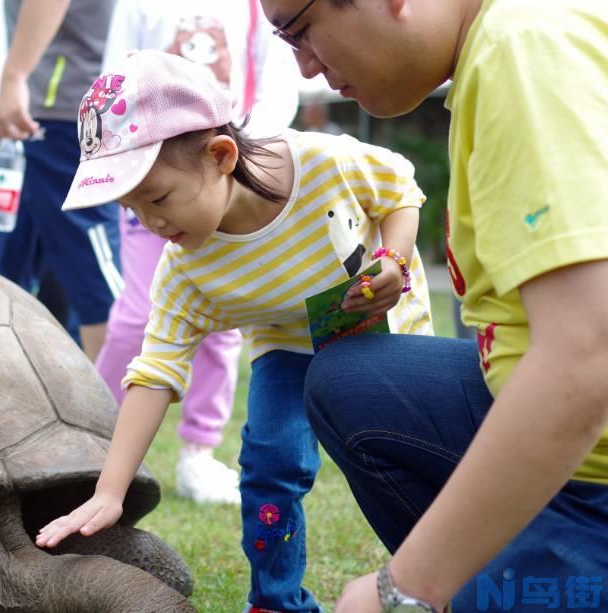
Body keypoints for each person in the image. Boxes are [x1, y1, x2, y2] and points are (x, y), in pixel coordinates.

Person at [35, 50, 433, 613]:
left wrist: (393, 258)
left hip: (384, 332)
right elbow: (154, 373)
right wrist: (109, 490)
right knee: (268, 466)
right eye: (132, 209)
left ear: (221, 155)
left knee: (402, 464)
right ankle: (276, 601)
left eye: (158, 198)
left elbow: (400, 191)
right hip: (289, 347)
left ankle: (438, 578)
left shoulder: (322, 164)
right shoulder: (186, 272)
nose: (152, 224)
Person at [257, 0, 608, 611]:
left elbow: (588, 355)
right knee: (349, 380)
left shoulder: (523, 49)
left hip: (593, 474)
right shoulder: (503, 43)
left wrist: (406, 588)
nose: (307, 68)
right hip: (555, 419)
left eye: (301, 30)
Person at [94, 0, 301, 506]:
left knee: (222, 327)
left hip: (221, 171)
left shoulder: (252, 6)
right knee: (134, 320)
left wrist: (250, 150)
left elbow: (273, 72)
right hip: (149, 179)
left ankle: (198, 454)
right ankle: (92, 440)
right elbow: (113, 77)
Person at [0, 0, 121, 362]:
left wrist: (15, 77)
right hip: (33, 121)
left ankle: (113, 405)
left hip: (61, 113)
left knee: (95, 277)